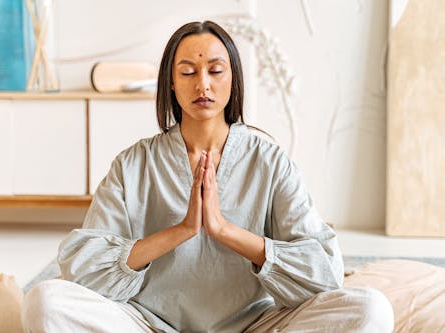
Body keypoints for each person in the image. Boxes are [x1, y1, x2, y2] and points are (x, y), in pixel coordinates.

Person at [21, 21, 394, 333]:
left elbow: (324, 268)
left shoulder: (269, 160)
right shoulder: (133, 164)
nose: (203, 84)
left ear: (233, 79)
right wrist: (182, 230)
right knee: (45, 302)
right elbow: (82, 266)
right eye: (188, 72)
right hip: (150, 324)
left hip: (254, 325)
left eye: (215, 71)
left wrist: (224, 230)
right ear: (171, 82)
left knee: (371, 309)